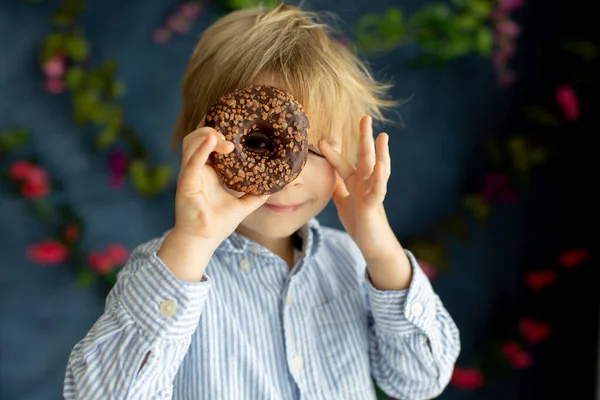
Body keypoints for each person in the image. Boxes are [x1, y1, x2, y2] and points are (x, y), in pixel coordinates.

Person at [63, 3, 460, 399]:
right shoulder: (170, 274)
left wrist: (380, 247)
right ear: (198, 143)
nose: (289, 177)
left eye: (316, 151)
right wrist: (194, 241)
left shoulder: (355, 265)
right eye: (258, 144)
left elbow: (420, 380)